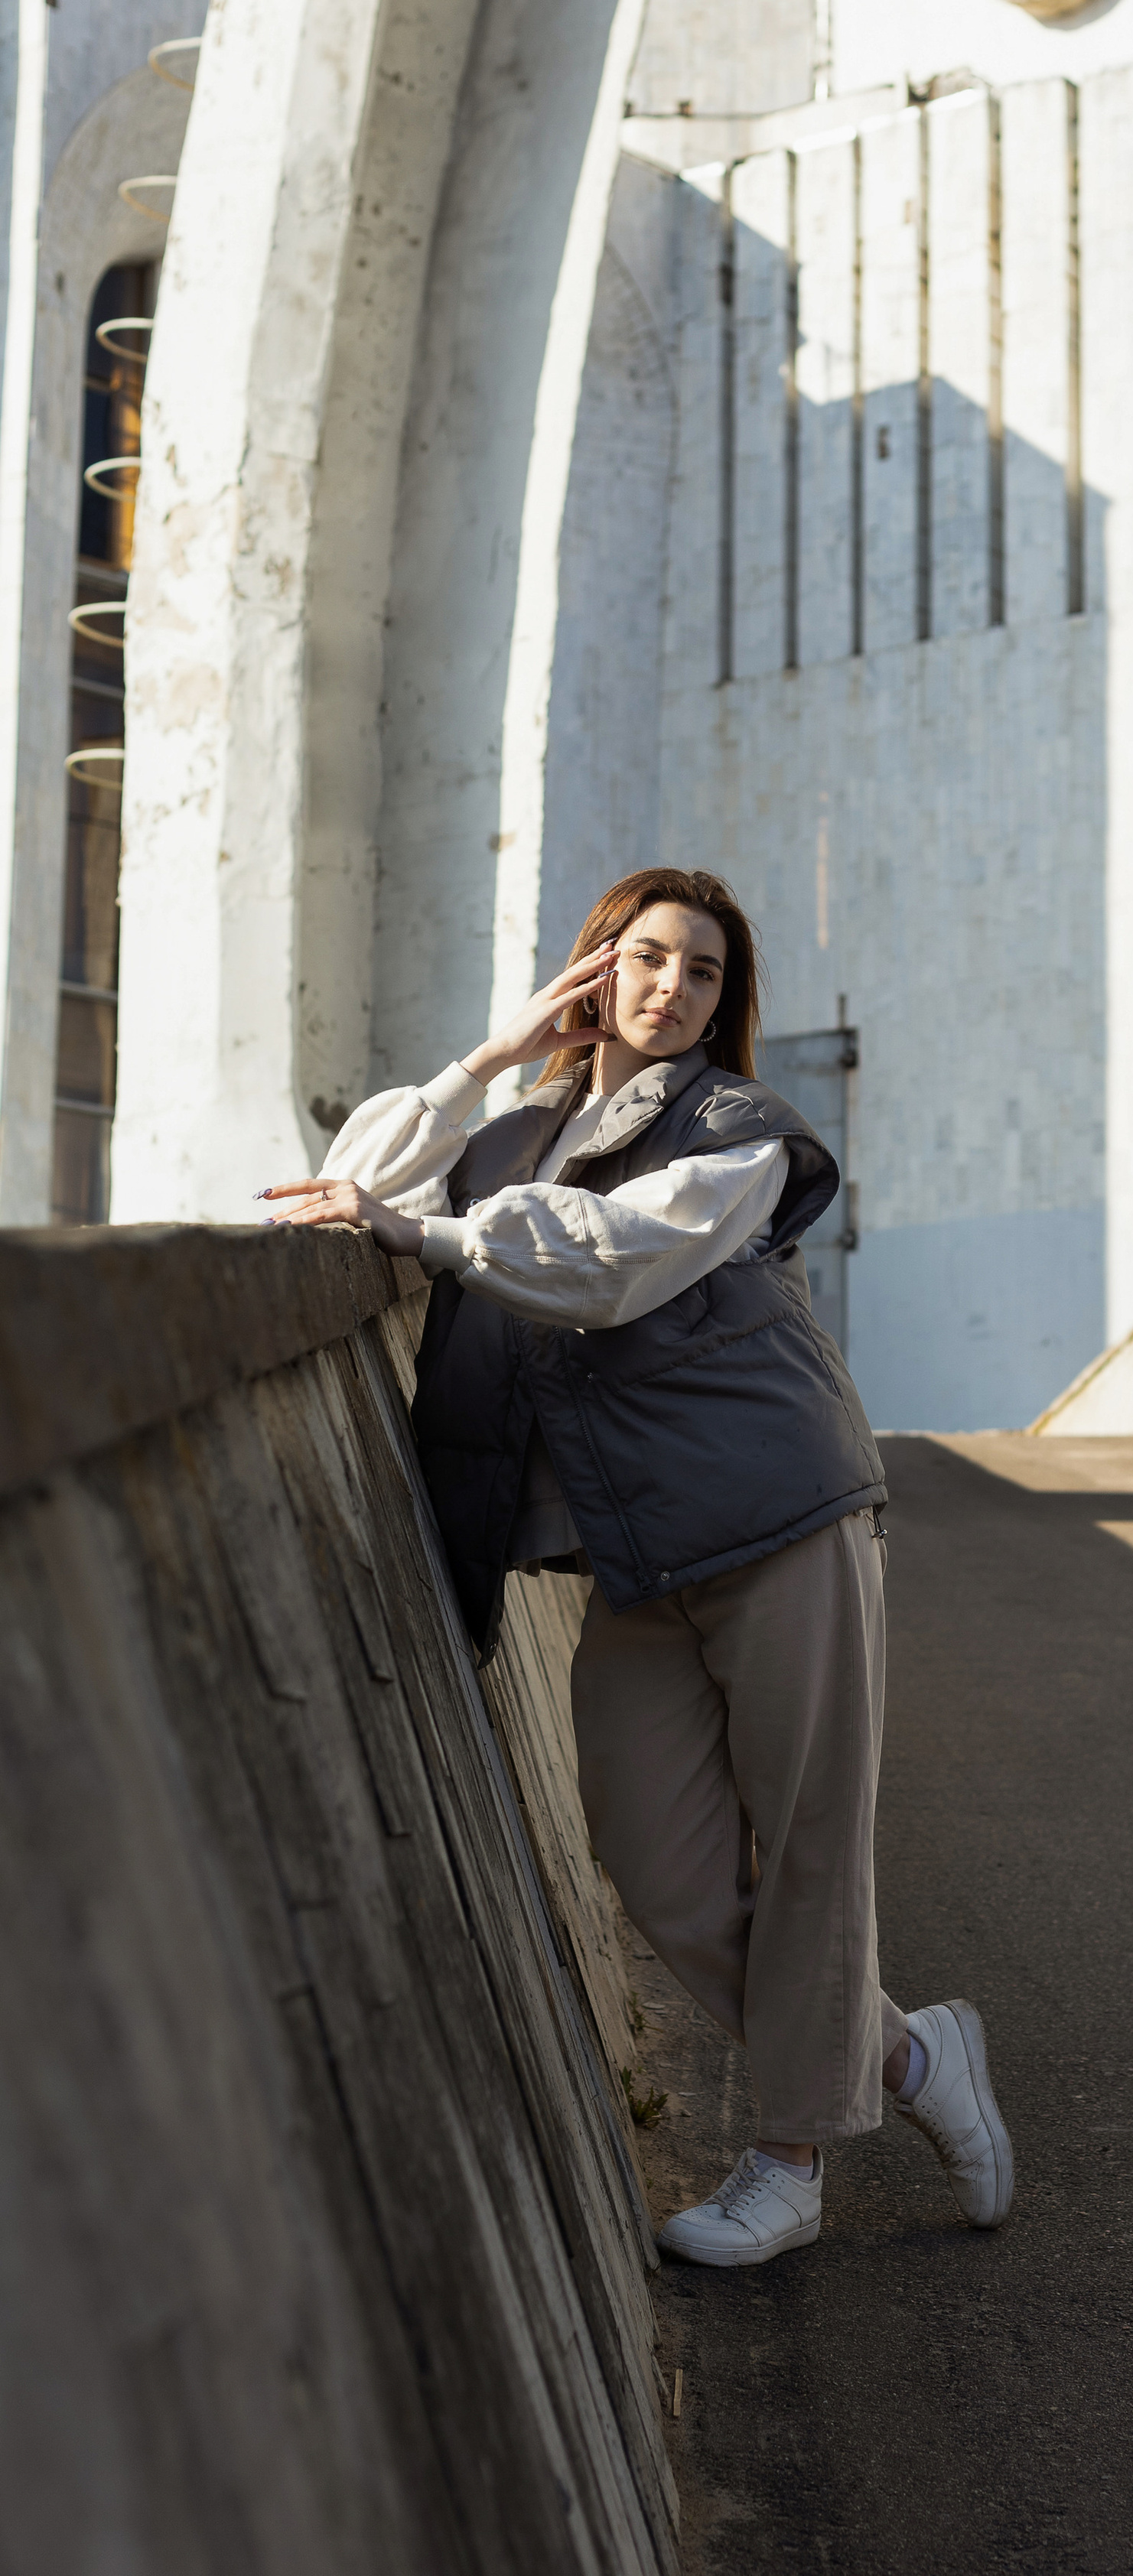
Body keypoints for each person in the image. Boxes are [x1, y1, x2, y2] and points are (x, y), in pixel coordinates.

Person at [262, 864, 1012, 2266]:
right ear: (594, 967)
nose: (673, 990)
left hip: (784, 1517)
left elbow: (614, 1258)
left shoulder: (739, 1131)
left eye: (706, 972)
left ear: (729, 1006)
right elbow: (348, 1187)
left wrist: (425, 1236)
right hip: (636, 1549)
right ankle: (912, 2059)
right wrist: (490, 1057)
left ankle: (787, 2163)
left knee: (803, 1849)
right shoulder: (516, 1133)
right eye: (647, 958)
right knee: (651, 1857)